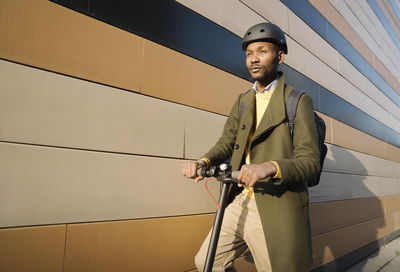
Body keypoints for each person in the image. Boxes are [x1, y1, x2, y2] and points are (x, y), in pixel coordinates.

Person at [182, 22, 320, 272]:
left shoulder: (298, 101)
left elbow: (310, 162)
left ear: (280, 56)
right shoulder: (243, 101)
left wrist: (268, 168)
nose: (253, 59)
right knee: (207, 262)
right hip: (241, 199)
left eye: (262, 51)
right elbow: (226, 143)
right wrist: (203, 162)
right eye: (249, 54)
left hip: (277, 205)